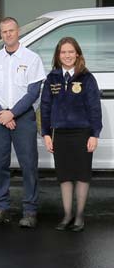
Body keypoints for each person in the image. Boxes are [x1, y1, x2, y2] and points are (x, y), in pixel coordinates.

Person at [0, 17, 46, 228]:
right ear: (1, 34)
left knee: (28, 165)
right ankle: (1, 207)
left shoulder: (31, 58)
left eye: (11, 30)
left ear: (18, 32)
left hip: (23, 118)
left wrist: (13, 113)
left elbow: (33, 92)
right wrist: (2, 113)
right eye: (4, 31)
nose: (8, 34)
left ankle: (30, 211)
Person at [40, 37, 102, 232]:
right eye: (63, 52)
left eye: (70, 52)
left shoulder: (87, 78)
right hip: (60, 135)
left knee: (82, 176)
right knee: (64, 176)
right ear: (58, 56)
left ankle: (79, 217)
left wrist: (94, 134)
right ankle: (67, 215)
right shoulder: (52, 78)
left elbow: (94, 109)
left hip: (82, 133)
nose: (67, 55)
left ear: (77, 54)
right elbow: (45, 108)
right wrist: (46, 134)